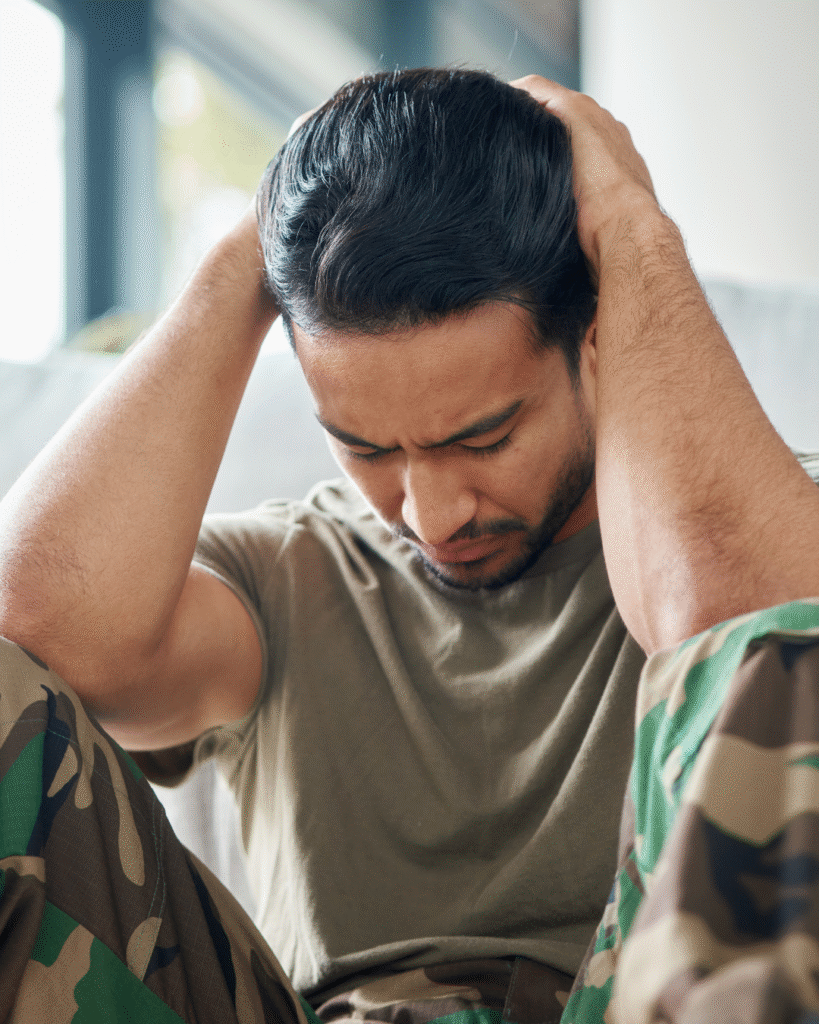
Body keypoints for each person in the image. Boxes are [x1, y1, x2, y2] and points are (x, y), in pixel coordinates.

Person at [0, 69, 818, 1023]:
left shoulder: (770, 533)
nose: (430, 515)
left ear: (594, 340)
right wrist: (248, 252)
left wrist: (633, 234)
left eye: (482, 439)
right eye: (367, 448)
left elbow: (767, 647)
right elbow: (37, 635)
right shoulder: (285, 573)